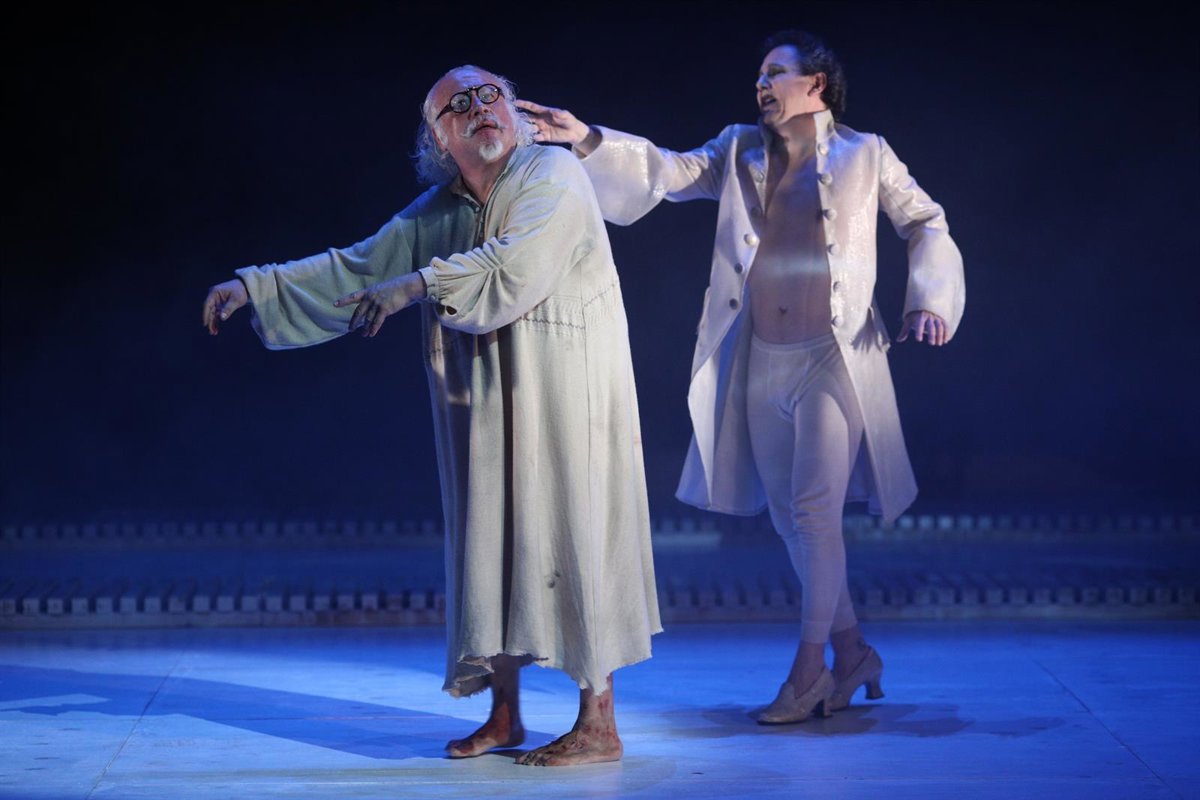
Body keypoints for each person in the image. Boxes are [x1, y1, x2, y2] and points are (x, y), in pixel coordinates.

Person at [201, 65, 661, 765]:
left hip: (568, 390)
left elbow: (517, 263)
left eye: (491, 95)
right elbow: (359, 267)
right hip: (486, 399)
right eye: (458, 105)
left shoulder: (553, 172)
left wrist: (417, 284)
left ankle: (599, 723)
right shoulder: (439, 210)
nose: (480, 109)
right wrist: (256, 288)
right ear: (440, 138)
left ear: (514, 110)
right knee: (493, 537)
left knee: (575, 527)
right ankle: (504, 715)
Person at [519, 29, 964, 724]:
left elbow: (925, 221)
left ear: (816, 84)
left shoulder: (866, 154)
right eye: (759, 74)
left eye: (775, 72)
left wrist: (930, 298)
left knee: (814, 512)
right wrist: (588, 139)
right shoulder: (737, 149)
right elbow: (666, 172)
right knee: (790, 519)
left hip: (834, 356)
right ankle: (853, 652)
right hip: (763, 359)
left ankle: (809, 672)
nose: (761, 84)